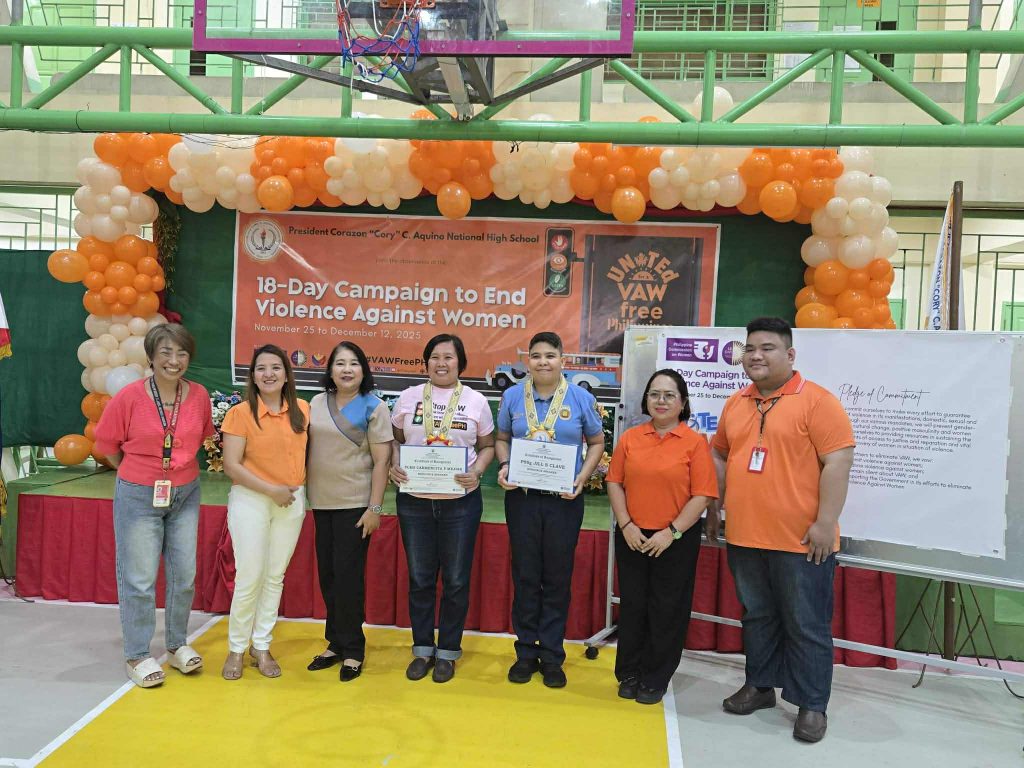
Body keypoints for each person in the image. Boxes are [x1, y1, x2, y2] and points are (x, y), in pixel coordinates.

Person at [709, 317, 855, 743]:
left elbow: (839, 461)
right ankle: (759, 686)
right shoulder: (736, 403)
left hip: (801, 541)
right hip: (744, 536)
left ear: (790, 355)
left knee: (806, 624)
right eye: (750, 348)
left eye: (767, 348)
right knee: (757, 617)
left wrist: (825, 522)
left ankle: (811, 705)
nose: (756, 355)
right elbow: (719, 454)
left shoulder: (818, 402)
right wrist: (716, 507)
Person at [94, 323, 215, 688]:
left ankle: (177, 645)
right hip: (138, 494)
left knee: (184, 575)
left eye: (181, 353)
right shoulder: (129, 397)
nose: (174, 360)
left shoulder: (199, 395)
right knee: (140, 578)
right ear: (150, 356)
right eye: (166, 352)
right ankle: (137, 654)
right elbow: (107, 446)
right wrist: (138, 473)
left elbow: (202, 437)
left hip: (185, 493)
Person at [495, 331, 605, 688]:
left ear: (562, 360)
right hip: (523, 499)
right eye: (537, 356)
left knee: (557, 577)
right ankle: (526, 652)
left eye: (550, 355)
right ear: (528, 360)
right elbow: (501, 438)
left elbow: (597, 442)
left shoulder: (581, 398)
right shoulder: (513, 396)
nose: (543, 362)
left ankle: (553, 655)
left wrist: (582, 478)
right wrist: (505, 465)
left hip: (564, 501)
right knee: (526, 576)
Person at [605, 369, 718, 705]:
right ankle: (629, 672)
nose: (661, 401)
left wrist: (672, 532)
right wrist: (626, 525)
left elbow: (702, 495)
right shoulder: (631, 438)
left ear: (683, 402)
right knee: (633, 606)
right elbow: (614, 482)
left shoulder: (695, 443)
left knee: (667, 609)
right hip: (632, 536)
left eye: (669, 395)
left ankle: (656, 677)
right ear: (646, 400)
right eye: (654, 394)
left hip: (675, 540)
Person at [389, 334, 495, 683]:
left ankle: (448, 651)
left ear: (460, 363)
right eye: (435, 357)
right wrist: (394, 465)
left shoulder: (476, 401)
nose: (441, 363)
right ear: (426, 363)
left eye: (449, 357)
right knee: (420, 579)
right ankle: (422, 649)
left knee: (456, 580)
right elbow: (395, 441)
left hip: (461, 503)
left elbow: (488, 446)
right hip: (414, 502)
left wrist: (477, 472)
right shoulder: (408, 397)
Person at [219, 344, 310, 680]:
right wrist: (271, 490)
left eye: (275, 367)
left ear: (286, 374)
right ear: (253, 377)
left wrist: (288, 492)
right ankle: (236, 648)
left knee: (274, 576)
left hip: (292, 501)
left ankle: (261, 645)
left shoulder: (302, 410)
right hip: (252, 500)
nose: (268, 374)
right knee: (249, 576)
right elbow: (231, 465)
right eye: (261, 368)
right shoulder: (240, 413)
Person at [306, 341, 392, 682]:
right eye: (339, 363)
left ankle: (354, 648)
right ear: (330, 370)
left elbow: (382, 461)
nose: (346, 369)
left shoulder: (374, 406)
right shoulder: (316, 403)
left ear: (363, 370)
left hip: (355, 506)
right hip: (320, 503)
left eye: (353, 363)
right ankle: (336, 642)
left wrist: (374, 508)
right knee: (328, 576)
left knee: (348, 580)